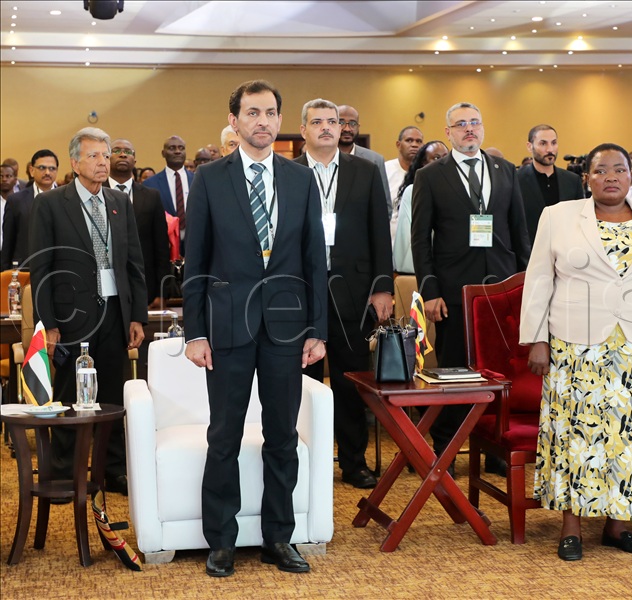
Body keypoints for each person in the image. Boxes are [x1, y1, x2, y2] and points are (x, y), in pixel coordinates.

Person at [183, 80, 328, 578]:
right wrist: (194, 332)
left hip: (288, 328)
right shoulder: (209, 179)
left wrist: (318, 329)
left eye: (270, 113)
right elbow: (194, 261)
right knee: (223, 436)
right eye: (252, 113)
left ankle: (278, 538)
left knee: (282, 436)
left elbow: (315, 260)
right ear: (235, 120)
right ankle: (220, 541)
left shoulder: (300, 179)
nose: (262, 121)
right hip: (226, 328)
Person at [520, 143, 632, 560]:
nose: (611, 176)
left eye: (620, 169)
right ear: (587, 178)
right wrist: (536, 338)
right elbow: (539, 279)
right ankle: (571, 527)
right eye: (601, 170)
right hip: (575, 345)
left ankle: (618, 526)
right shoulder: (558, 216)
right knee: (577, 436)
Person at [411, 101, 530, 473]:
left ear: (483, 128)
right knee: (454, 371)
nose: (469, 130)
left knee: (497, 371)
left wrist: (527, 286)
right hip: (452, 290)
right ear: (448, 133)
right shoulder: (431, 177)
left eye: (475, 123)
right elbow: (420, 239)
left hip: (502, 289)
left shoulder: (506, 171)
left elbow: (520, 232)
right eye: (460, 124)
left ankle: (492, 445)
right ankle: (445, 448)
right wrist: (430, 290)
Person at [29, 127, 148, 498]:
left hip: (115, 311)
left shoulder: (118, 201)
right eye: (94, 156)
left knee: (112, 393)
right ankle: (67, 470)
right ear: (75, 161)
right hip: (70, 316)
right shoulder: (51, 203)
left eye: (106, 155)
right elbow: (41, 269)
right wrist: (48, 324)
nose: (102, 162)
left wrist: (137, 315)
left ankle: (113, 470)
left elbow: (133, 262)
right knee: (69, 395)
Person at [295, 98, 394, 490]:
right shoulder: (288, 172)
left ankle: (354, 463)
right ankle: (301, 458)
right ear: (303, 129)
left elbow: (378, 234)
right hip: (300, 292)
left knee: (351, 382)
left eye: (332, 121)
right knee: (298, 381)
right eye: (316, 121)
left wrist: (383, 286)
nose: (325, 127)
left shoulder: (365, 172)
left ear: (342, 128)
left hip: (354, 291)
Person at [108, 139, 170, 308]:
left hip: (144, 286)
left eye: (128, 152)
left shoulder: (151, 196)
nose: (122, 154)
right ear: (107, 158)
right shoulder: (96, 193)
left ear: (135, 160)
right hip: (105, 287)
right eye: (117, 150)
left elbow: (161, 248)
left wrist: (162, 292)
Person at [517, 124, 585, 244]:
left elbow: (580, 220)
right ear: (529, 146)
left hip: (566, 252)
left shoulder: (572, 181)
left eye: (553, 143)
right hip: (529, 254)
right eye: (543, 144)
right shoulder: (516, 180)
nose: (550, 149)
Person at [392, 140, 449, 274]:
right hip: (419, 269)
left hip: (450, 267)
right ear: (423, 163)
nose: (442, 162)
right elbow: (405, 238)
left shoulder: (456, 191)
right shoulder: (413, 191)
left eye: (446, 157)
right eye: (435, 158)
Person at [2, 149, 60, 270]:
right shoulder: (16, 200)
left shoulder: (67, 198)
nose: (47, 172)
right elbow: (8, 242)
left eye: (52, 168)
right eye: (42, 168)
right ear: (32, 171)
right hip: (24, 268)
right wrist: (5, 272)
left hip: (58, 268)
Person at [142, 135, 194, 253]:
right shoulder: (149, 184)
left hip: (194, 247)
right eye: (172, 148)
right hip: (163, 248)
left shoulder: (198, 180)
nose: (177, 151)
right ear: (163, 153)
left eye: (181, 148)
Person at [336, 105, 391, 217]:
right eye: (341, 122)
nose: (347, 129)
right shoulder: (323, 157)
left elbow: (384, 206)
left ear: (358, 126)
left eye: (352, 123)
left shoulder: (374, 160)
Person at [385, 126, 424, 242]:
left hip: (418, 239)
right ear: (398, 144)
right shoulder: (385, 169)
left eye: (419, 141)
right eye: (409, 140)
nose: (414, 145)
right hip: (391, 238)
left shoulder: (427, 173)